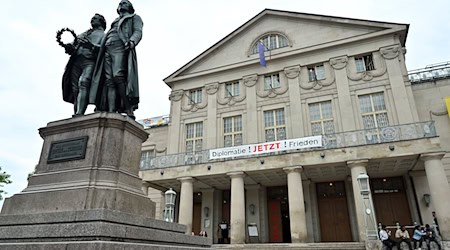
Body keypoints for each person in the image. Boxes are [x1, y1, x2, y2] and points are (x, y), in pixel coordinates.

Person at [90, 0, 143, 119]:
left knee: (118, 76)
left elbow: (138, 31)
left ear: (130, 7)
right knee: (109, 81)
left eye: (124, 3)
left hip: (120, 47)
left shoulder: (134, 17)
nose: (121, 4)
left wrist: (132, 41)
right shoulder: (115, 21)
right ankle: (111, 110)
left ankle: (128, 107)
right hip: (107, 49)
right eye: (120, 3)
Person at [62, 14, 106, 116]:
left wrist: (91, 46)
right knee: (75, 89)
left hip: (90, 61)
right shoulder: (84, 34)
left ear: (102, 22)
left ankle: (79, 113)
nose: (92, 20)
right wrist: (69, 47)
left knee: (83, 82)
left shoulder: (103, 35)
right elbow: (74, 46)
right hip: (76, 62)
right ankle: (76, 113)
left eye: (95, 19)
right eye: (92, 19)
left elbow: (105, 49)